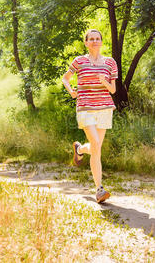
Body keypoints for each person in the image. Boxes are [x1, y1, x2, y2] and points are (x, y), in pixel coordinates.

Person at [62, 29, 118, 203]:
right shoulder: (79, 61)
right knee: (96, 144)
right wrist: (71, 90)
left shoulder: (110, 63)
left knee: (96, 147)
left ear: (101, 42)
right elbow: (65, 78)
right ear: (86, 43)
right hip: (85, 107)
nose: (94, 41)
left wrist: (104, 81)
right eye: (91, 39)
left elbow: (113, 90)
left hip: (104, 108)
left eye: (97, 38)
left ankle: (79, 149)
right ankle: (99, 189)